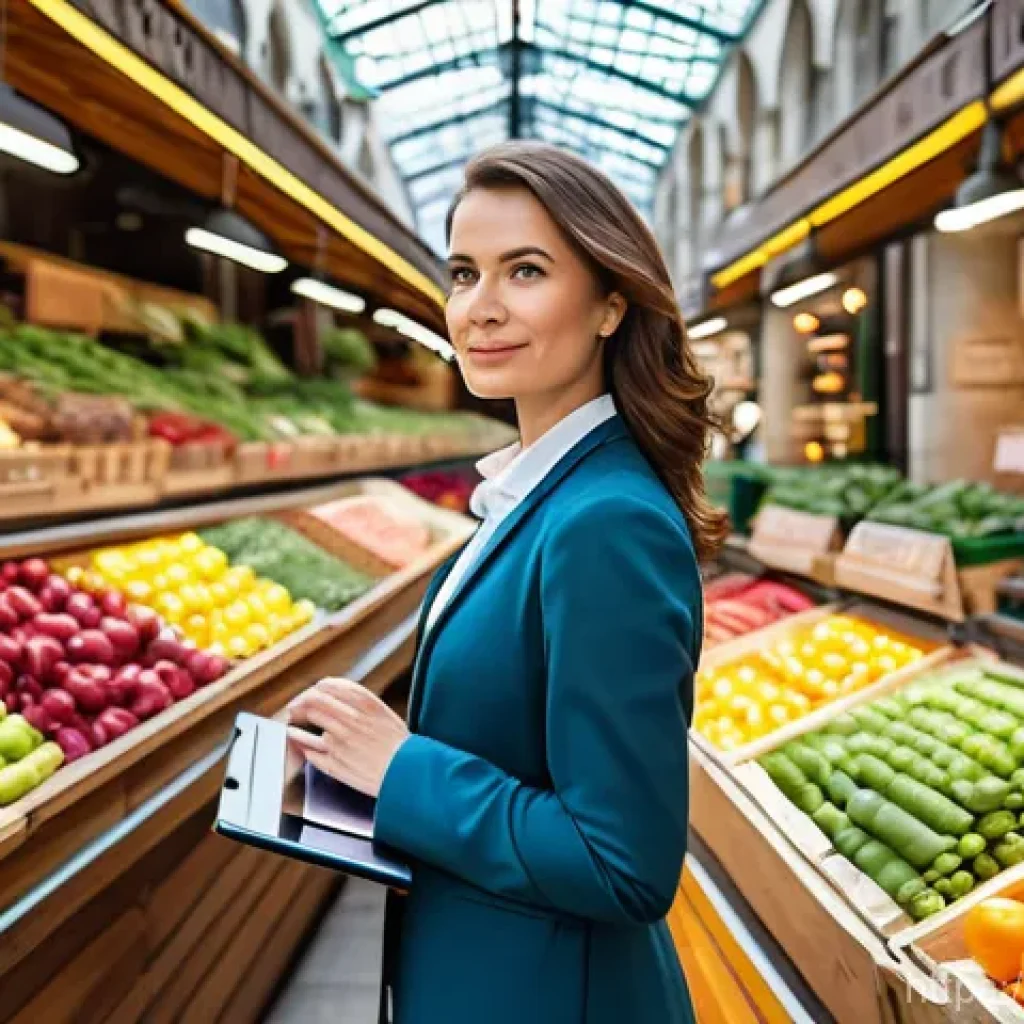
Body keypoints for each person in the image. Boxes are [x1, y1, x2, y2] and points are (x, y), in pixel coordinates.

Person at [286, 140, 728, 1024]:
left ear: (610, 303)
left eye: (524, 272)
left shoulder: (608, 522)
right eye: (462, 274)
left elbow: (624, 862)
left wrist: (403, 767)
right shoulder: (536, 491)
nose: (479, 309)